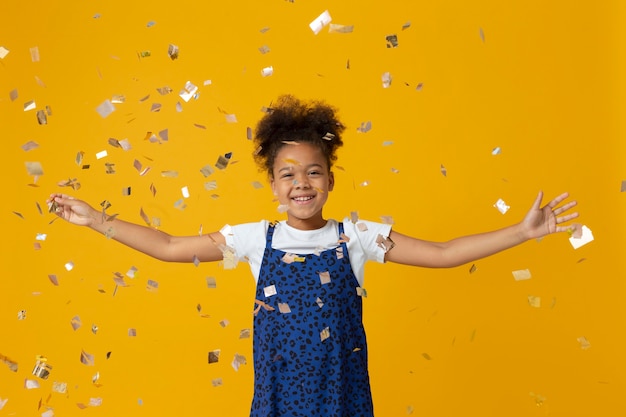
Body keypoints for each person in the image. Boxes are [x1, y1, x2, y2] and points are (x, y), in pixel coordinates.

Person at [47, 94, 579, 417]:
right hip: (279, 404)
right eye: (288, 174)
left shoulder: (358, 237)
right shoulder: (257, 239)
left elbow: (442, 253)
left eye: (313, 172)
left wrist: (522, 233)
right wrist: (97, 220)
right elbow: (167, 247)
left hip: (344, 401)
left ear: (329, 179)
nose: (301, 183)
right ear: (274, 185)